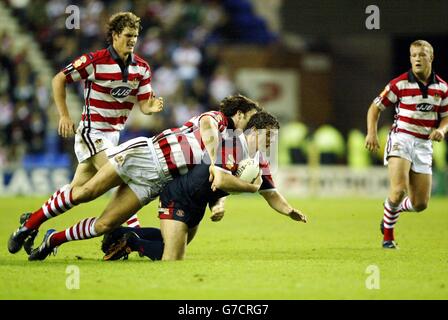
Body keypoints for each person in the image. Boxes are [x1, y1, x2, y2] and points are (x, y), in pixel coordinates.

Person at [12, 95, 260, 260]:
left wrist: (219, 202)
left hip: (155, 181)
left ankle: (53, 239)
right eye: (250, 119)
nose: (250, 126)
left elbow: (215, 181)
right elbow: (206, 129)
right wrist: (213, 156)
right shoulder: (216, 119)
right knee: (86, 192)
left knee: (105, 225)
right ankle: (30, 224)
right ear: (238, 113)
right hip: (145, 156)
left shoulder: (230, 144)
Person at [7, 12, 164, 255]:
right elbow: (59, 79)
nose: (132, 40)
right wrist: (64, 115)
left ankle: (30, 224)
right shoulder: (95, 61)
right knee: (122, 175)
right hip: (92, 133)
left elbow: (144, 104)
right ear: (114, 35)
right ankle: (131, 234)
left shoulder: (141, 68)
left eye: (135, 36)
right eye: (127, 35)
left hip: (113, 137)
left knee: (78, 193)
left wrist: (150, 108)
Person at [101, 111, 307, 261]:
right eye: (268, 135)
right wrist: (250, 188)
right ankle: (131, 242)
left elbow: (271, 193)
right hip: (179, 196)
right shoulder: (232, 144)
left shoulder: (259, 160)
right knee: (171, 258)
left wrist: (289, 211)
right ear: (253, 131)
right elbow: (221, 180)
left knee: (170, 246)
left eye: (274, 137)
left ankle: (123, 235)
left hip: (197, 204)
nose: (271, 141)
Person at [365, 40, 448, 249]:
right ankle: (388, 239)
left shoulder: (442, 88)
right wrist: (371, 133)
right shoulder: (399, 84)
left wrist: (441, 130)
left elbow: (446, 117)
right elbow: (375, 108)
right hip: (401, 138)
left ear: (431, 57)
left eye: (421, 55)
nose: (417, 59)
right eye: (413, 55)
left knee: (420, 204)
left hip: (423, 145)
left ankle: (390, 210)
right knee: (398, 190)